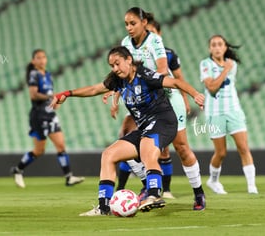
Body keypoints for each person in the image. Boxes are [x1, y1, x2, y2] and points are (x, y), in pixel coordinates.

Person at [50, 46, 205, 216]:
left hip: (164, 122)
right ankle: (104, 207)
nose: (115, 69)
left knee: (148, 152)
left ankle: (154, 195)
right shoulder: (118, 80)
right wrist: (68, 93)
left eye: (117, 63)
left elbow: (175, 82)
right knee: (108, 155)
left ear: (129, 60)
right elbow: (94, 89)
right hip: (145, 127)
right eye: (112, 66)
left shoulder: (144, 75)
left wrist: (195, 94)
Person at [110, 8, 206, 204]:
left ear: (143, 23)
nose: (128, 28)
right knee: (128, 138)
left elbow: (162, 69)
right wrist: (115, 94)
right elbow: (124, 72)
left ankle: (198, 193)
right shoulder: (126, 44)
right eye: (126, 24)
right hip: (144, 101)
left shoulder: (154, 40)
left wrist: (188, 95)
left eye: (132, 23)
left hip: (167, 96)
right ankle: (150, 187)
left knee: (181, 146)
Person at [10, 49, 84, 188]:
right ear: (33, 61)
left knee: (61, 145)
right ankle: (18, 170)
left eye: (44, 57)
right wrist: (51, 97)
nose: (42, 60)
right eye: (38, 57)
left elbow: (49, 94)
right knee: (39, 151)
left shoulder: (48, 74)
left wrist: (54, 103)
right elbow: (33, 95)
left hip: (50, 115)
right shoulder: (34, 74)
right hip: (39, 116)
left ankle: (69, 177)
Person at [200, 35, 258, 194]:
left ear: (225, 47)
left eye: (220, 44)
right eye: (214, 45)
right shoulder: (206, 64)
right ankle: (213, 180)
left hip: (233, 110)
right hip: (215, 113)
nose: (217, 47)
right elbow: (211, 87)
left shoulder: (232, 65)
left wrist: (227, 67)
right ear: (210, 49)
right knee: (221, 152)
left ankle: (252, 187)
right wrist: (225, 69)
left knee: (244, 148)